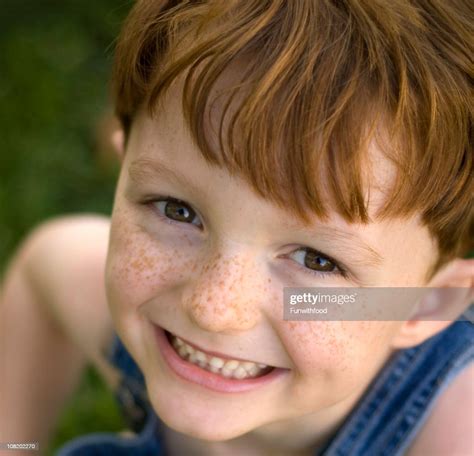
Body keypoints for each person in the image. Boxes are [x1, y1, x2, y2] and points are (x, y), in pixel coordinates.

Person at [1, 1, 473, 455]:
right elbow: (44, 268)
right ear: (125, 168)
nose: (214, 309)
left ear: (426, 303)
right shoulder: (96, 290)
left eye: (316, 259)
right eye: (177, 209)